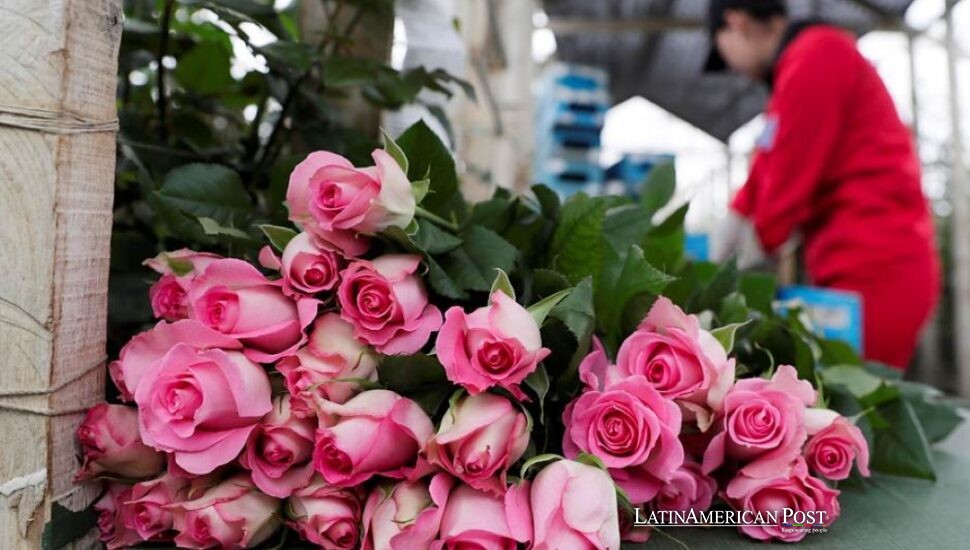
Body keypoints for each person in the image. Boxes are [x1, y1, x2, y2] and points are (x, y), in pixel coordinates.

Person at [705, 0, 939, 369]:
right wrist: (736, 216)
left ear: (736, 24)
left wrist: (738, 263)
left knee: (856, 404)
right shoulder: (795, 72)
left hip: (879, 271)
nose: (731, 68)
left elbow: (789, 179)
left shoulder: (818, 55)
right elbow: (769, 160)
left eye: (721, 54)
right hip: (851, 267)